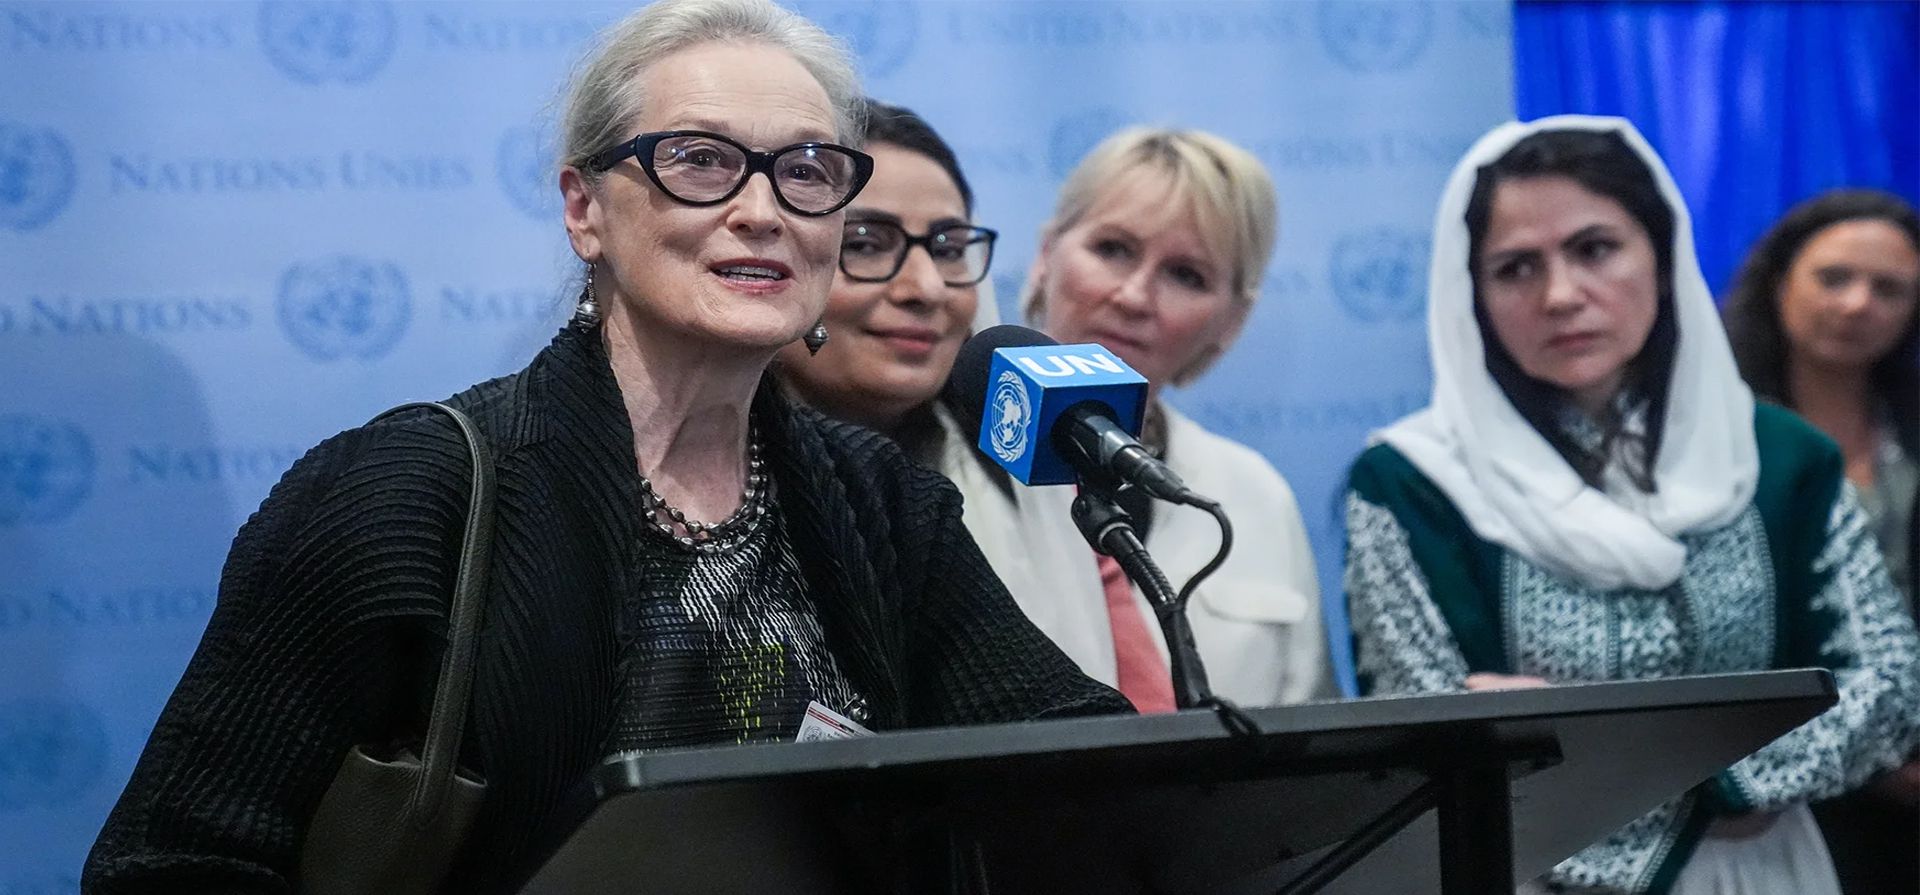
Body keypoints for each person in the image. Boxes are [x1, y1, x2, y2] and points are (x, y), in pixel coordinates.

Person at [81, 1, 1128, 892]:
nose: (762, 210)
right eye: (701, 162)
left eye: (808, 172)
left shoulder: (881, 503)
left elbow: (1071, 776)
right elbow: (174, 860)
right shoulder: (400, 496)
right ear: (586, 209)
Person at [1343, 115, 1920, 895]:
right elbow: (1421, 727)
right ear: (1469, 295)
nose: (1560, 295)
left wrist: (1723, 780)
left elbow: (1889, 684)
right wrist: (1705, 755)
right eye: (1515, 267)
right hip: (1521, 874)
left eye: (1594, 249)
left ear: (1662, 255)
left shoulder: (1781, 457)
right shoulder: (1411, 481)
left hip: (1758, 867)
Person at [1005, 127, 1335, 710]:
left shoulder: (1252, 493)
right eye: (1112, 249)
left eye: (1186, 275)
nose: (1134, 296)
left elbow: (1308, 729)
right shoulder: (941, 465)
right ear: (1044, 257)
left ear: (1231, 321)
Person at [1723, 189, 1920, 895]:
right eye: (1834, 277)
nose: (1858, 303)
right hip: (1767, 777)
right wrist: (1871, 756)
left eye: (1889, 288)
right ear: (1780, 281)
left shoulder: (1910, 434)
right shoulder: (1713, 440)